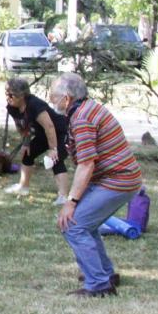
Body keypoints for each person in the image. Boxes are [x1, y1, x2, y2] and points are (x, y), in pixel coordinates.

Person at [51, 73, 142, 297]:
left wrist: (71, 202)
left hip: (117, 180)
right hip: (118, 178)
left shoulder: (81, 118)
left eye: (53, 95)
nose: (51, 100)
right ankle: (106, 274)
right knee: (84, 224)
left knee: (73, 225)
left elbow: (86, 165)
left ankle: (99, 285)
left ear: (67, 98)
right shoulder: (87, 108)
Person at [2, 77, 70, 204]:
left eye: (11, 95)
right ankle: (23, 187)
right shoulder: (12, 107)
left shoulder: (34, 104)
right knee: (28, 155)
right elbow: (23, 126)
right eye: (6, 94)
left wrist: (53, 149)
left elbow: (49, 126)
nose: (8, 98)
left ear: (22, 95)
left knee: (56, 159)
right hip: (42, 133)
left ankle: (63, 196)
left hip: (58, 131)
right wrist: (26, 142)